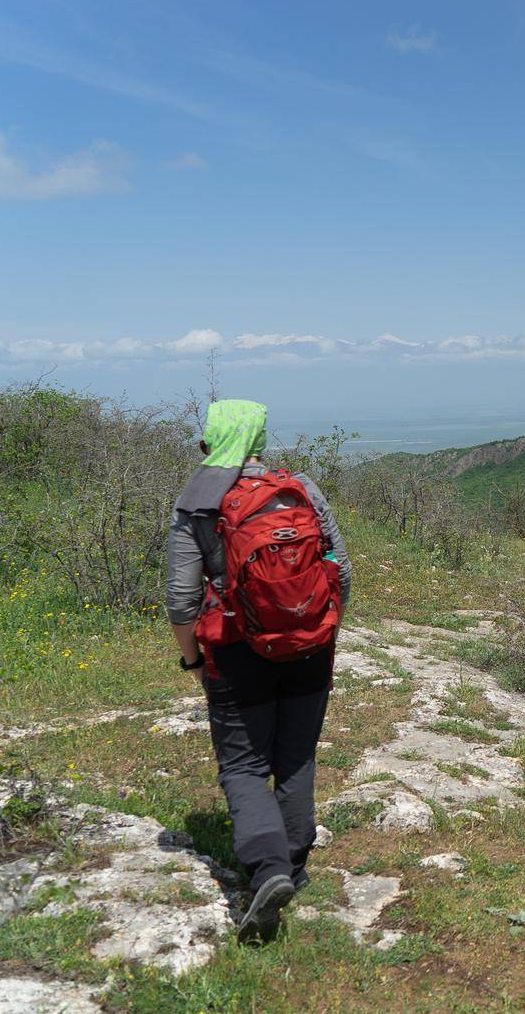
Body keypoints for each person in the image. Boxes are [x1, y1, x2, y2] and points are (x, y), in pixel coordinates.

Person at [165, 399, 351, 944]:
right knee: (295, 757)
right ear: (260, 441)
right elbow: (340, 566)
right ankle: (293, 866)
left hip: (236, 653)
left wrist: (194, 660)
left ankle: (267, 872)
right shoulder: (302, 488)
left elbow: (180, 600)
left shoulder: (197, 504)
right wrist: (323, 631)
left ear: (208, 444)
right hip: (311, 648)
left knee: (244, 766)